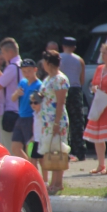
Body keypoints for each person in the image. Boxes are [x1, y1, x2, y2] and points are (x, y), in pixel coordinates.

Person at [83, 44, 107, 175]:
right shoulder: (99, 68)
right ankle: (101, 164)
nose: (102, 55)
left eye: (104, 53)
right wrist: (94, 89)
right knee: (98, 135)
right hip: (99, 104)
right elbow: (94, 84)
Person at [38, 50, 70, 195]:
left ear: (49, 63)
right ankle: (53, 182)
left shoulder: (60, 79)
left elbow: (60, 102)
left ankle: (58, 183)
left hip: (57, 120)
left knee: (58, 150)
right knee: (49, 150)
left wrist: (57, 123)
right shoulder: (47, 78)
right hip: (46, 121)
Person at [0, 38, 22, 149]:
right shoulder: (19, 65)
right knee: (17, 144)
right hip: (18, 109)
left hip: (8, 110)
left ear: (10, 52)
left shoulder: (12, 67)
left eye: (3, 52)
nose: (2, 55)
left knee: (7, 144)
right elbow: (5, 81)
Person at [60, 37, 86, 161]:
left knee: (63, 120)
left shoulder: (59, 58)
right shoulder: (79, 60)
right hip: (75, 89)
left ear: (63, 46)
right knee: (77, 121)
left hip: (61, 89)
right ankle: (80, 151)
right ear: (74, 47)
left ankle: (66, 150)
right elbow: (82, 79)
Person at [9, 59, 42, 160]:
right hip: (21, 117)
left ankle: (32, 169)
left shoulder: (39, 85)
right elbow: (13, 99)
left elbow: (40, 103)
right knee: (15, 147)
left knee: (30, 147)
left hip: (31, 118)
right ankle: (28, 165)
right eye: (24, 71)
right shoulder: (22, 82)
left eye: (29, 71)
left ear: (35, 69)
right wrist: (16, 93)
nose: (26, 73)